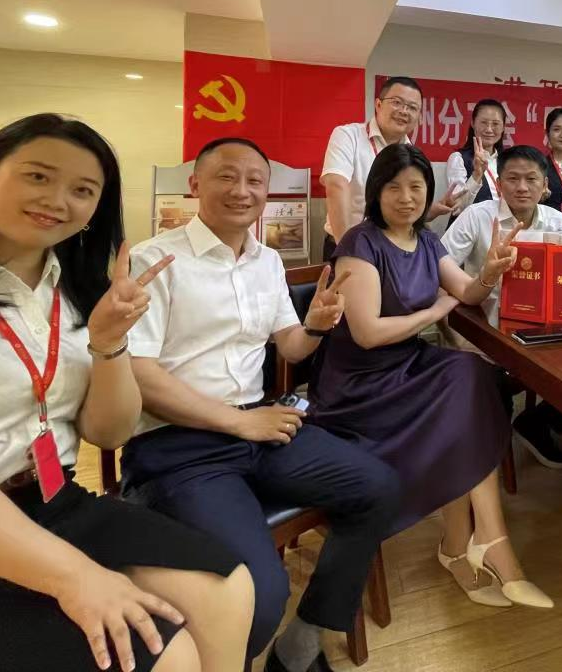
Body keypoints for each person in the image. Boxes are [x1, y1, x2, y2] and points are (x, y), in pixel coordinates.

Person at [0, 114, 253, 672]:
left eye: (83, 190)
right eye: (38, 176)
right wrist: (77, 576)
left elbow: (108, 433)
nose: (58, 200)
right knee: (163, 655)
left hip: (48, 499)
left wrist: (108, 343)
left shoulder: (77, 294)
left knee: (227, 587)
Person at [121, 137, 402, 672]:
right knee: (260, 595)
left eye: (255, 180)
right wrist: (239, 423)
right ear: (196, 185)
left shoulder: (267, 260)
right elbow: (139, 375)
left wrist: (315, 326)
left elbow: (291, 347)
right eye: (227, 177)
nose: (242, 190)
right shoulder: (155, 260)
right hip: (179, 445)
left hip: (259, 426)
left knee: (379, 487)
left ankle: (302, 641)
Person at [316, 144, 553, 611]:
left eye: (416, 187)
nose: (406, 198)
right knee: (462, 398)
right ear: (376, 191)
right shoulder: (360, 244)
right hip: (361, 384)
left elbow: (466, 290)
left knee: (472, 375)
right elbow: (367, 334)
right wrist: (433, 310)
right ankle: (477, 546)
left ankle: (471, 542)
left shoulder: (426, 239)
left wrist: (488, 272)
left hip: (407, 365)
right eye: (394, 187)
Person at [441, 145, 562, 470]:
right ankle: (487, 454)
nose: (522, 187)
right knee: (489, 393)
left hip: (549, 337)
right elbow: (438, 264)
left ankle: (536, 424)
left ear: (545, 185)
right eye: (512, 178)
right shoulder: (478, 216)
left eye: (531, 179)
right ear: (499, 183)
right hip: (489, 333)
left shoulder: (559, 223)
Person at [320, 76, 459, 261]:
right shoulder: (348, 136)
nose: (404, 111)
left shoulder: (411, 154)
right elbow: (336, 186)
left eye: (412, 107)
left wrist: (433, 210)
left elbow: (401, 213)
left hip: (391, 250)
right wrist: (347, 250)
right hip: (345, 243)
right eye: (397, 102)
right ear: (378, 104)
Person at [444, 99, 506, 221]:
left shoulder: (508, 161)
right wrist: (476, 176)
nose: (489, 129)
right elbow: (457, 207)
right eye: (483, 123)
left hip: (503, 228)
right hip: (471, 228)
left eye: (495, 124)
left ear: (503, 127)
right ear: (473, 123)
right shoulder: (459, 158)